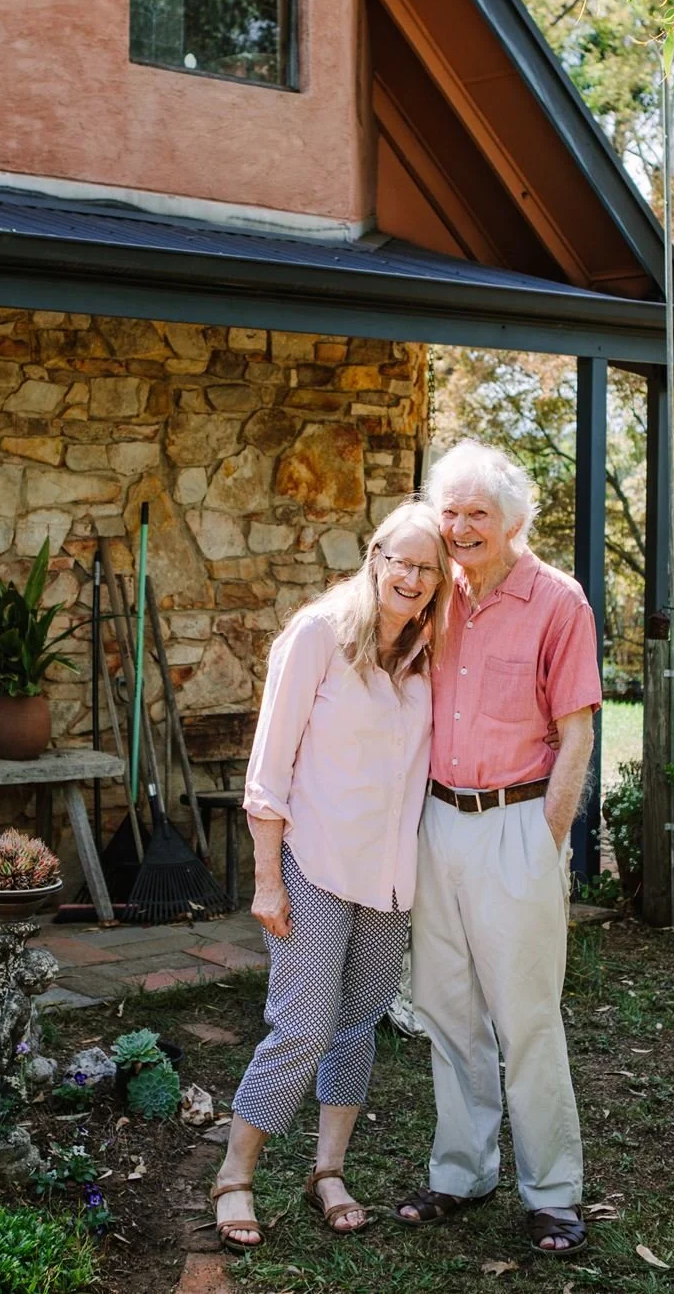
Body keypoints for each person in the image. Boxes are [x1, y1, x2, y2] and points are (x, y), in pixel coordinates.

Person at [210, 501, 452, 1247]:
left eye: (428, 568)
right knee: (304, 1025)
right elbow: (268, 769)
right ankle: (234, 1175)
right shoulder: (318, 634)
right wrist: (266, 879)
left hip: (388, 879)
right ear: (375, 557)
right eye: (401, 561)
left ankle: (328, 1171)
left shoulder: (426, 653)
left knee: (356, 1025)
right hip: (313, 863)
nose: (412, 578)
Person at [394, 440, 599, 1258]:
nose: (460, 526)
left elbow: (577, 735)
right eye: (449, 511)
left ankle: (552, 1192)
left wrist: (546, 839)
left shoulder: (559, 602)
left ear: (512, 520)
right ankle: (461, 1170)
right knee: (446, 1009)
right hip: (437, 821)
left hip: (517, 822)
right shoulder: (436, 593)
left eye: (477, 512)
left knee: (527, 1018)